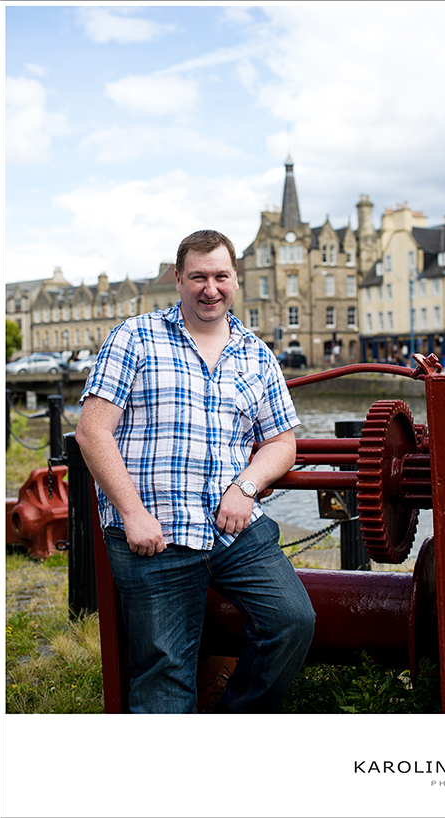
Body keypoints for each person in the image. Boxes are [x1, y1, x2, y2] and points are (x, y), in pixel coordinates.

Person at [75, 229, 315, 712]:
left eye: (221, 276)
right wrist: (132, 513)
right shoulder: (135, 337)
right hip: (154, 532)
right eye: (199, 277)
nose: (211, 288)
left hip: (233, 531)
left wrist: (246, 486)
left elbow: (282, 442)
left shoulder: (256, 354)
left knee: (293, 621)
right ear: (179, 279)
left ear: (236, 280)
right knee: (166, 674)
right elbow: (92, 432)